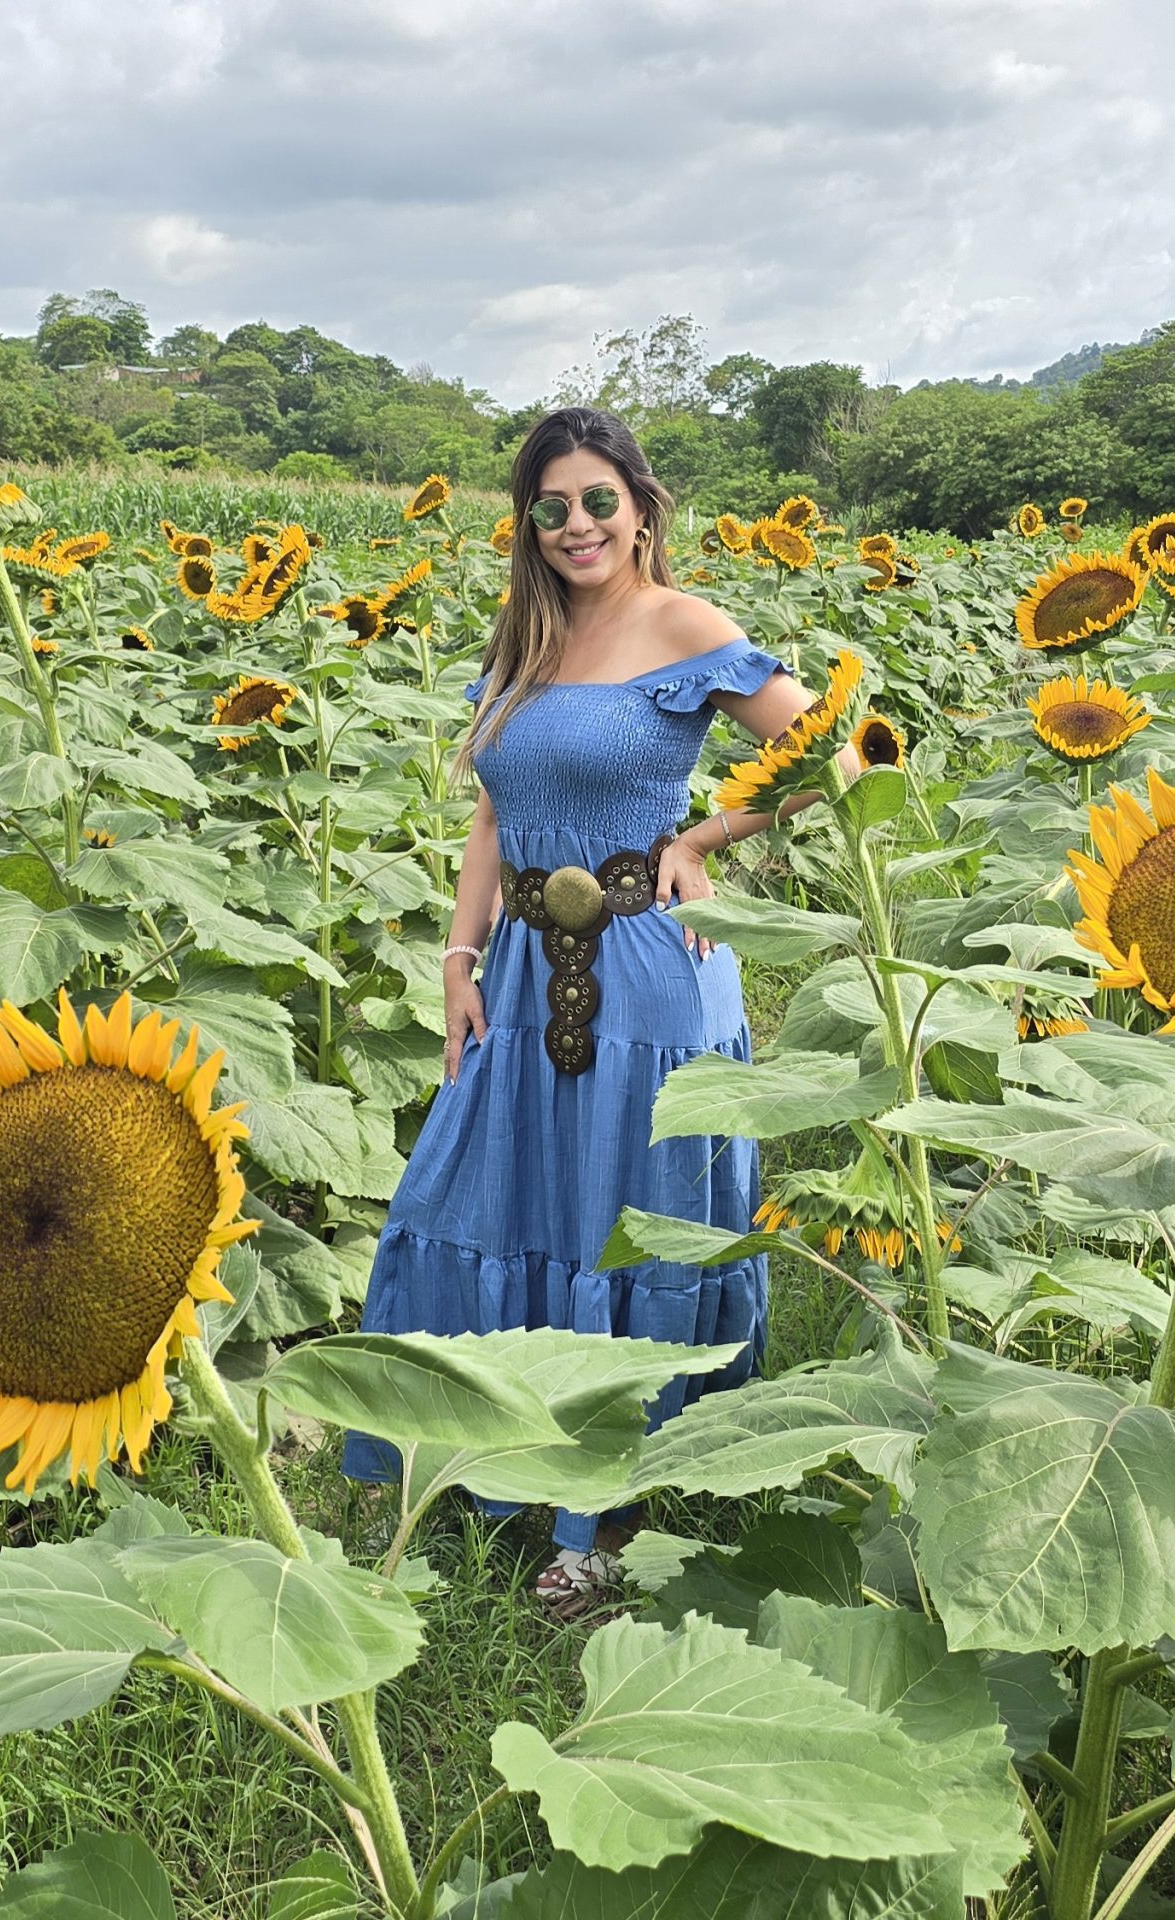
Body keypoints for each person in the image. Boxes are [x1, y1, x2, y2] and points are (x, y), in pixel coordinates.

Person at [339, 406, 861, 1616]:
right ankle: (483, 1456)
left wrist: (705, 835)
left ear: (640, 507)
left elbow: (836, 759)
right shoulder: (526, 637)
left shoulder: (685, 625)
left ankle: (605, 1520)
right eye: (552, 507)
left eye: (597, 501)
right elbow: (488, 815)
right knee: (473, 1192)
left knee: (622, 1221)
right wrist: (458, 956)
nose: (577, 525)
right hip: (520, 970)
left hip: (644, 972)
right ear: (528, 523)